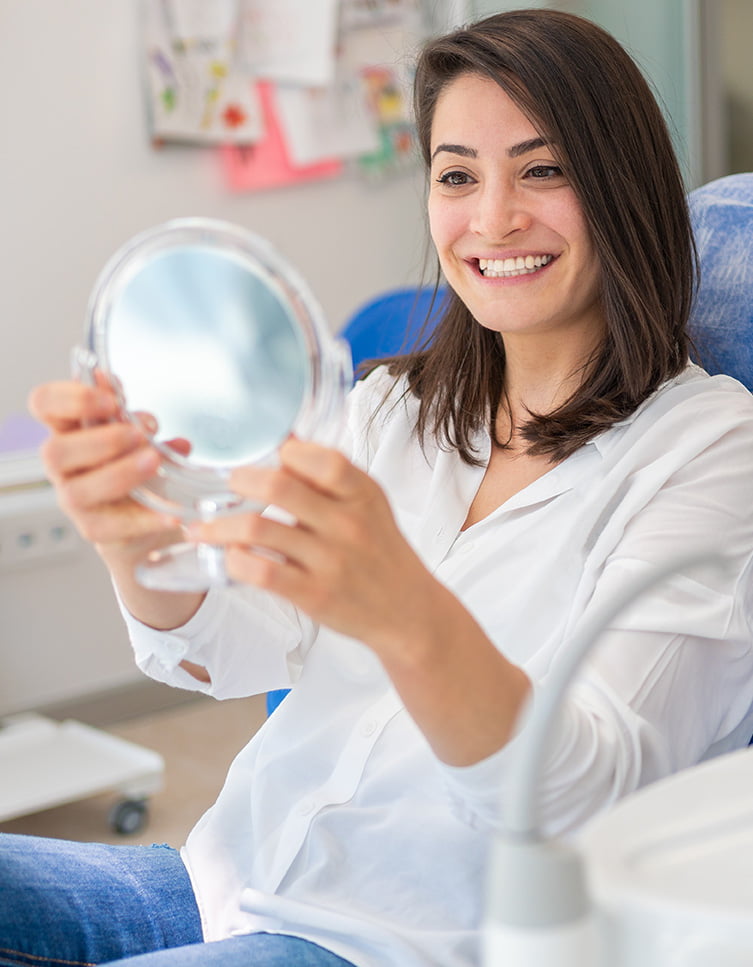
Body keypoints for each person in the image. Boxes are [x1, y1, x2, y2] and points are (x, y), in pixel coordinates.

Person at [5, 8, 753, 967]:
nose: (491, 219)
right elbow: (242, 646)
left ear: (621, 184)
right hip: (217, 884)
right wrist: (138, 541)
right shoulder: (391, 407)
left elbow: (583, 793)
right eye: (455, 175)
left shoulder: (709, 455)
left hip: (402, 944)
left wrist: (405, 610)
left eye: (542, 169)